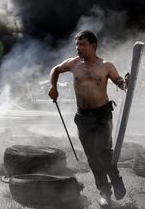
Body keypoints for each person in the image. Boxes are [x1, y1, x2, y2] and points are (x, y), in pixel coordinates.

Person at [48, 30, 128, 207]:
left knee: (103, 150)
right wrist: (53, 87)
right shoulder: (73, 63)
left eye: (82, 44)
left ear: (93, 45)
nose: (78, 48)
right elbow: (56, 69)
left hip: (102, 115)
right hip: (83, 116)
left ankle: (116, 179)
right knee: (92, 156)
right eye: (77, 45)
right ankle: (104, 192)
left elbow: (119, 81)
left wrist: (126, 85)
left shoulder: (106, 66)